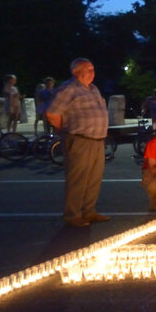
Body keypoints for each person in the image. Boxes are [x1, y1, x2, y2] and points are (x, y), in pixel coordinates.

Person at [45, 58, 111, 228]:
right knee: (78, 179)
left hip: (97, 140)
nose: (92, 73)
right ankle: (73, 215)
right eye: (87, 69)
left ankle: (89, 211)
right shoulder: (68, 89)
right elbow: (52, 114)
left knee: (93, 178)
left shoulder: (93, 89)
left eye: (93, 69)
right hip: (80, 139)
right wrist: (66, 130)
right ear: (76, 72)